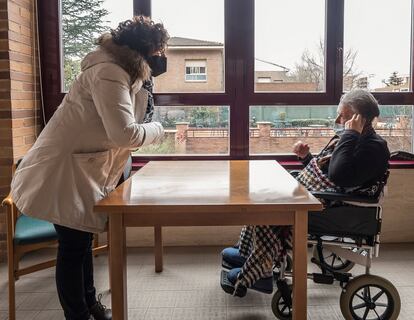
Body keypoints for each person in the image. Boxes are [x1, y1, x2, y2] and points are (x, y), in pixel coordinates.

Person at [10, 16, 169, 320]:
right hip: (62, 171)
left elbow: (129, 124)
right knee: (73, 248)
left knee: (80, 243)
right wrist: (160, 130)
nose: (162, 57)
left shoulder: (125, 72)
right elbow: (125, 134)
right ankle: (78, 314)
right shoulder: (109, 72)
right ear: (144, 49)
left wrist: (147, 82)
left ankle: (89, 305)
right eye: (159, 50)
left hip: (82, 168)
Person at [221, 89, 390, 295]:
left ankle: (262, 271)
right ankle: (250, 253)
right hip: (326, 197)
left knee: (266, 207)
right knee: (263, 192)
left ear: (358, 118)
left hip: (330, 209)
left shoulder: (372, 147)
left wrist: (350, 134)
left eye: (343, 115)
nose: (337, 119)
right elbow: (330, 175)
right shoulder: (353, 139)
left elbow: (339, 176)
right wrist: (307, 158)